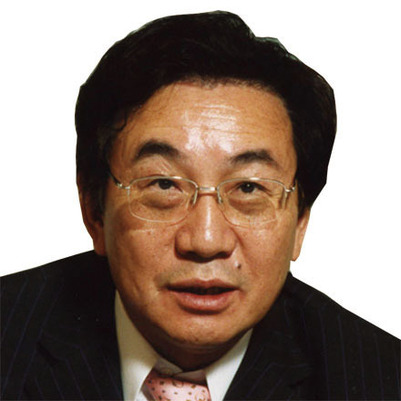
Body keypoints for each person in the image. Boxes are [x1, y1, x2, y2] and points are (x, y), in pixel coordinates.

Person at [1, 10, 399, 401]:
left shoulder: (380, 379)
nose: (206, 241)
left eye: (248, 188)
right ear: (94, 210)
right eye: (164, 184)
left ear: (300, 223)